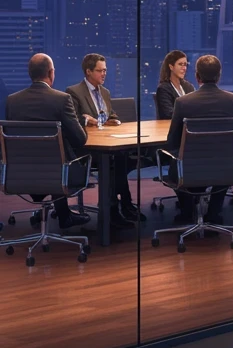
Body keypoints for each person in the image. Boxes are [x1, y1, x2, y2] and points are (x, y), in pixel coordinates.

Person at [4, 54, 90, 230]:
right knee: (62, 159)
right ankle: (64, 215)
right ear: (51, 73)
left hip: (20, 174)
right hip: (57, 175)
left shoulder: (12, 101)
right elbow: (80, 139)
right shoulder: (61, 99)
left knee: (53, 158)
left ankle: (63, 214)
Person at [164, 55, 233, 223]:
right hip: (225, 168)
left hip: (189, 169)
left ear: (197, 76)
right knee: (224, 161)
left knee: (176, 163)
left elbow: (172, 141)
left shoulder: (183, 102)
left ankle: (187, 213)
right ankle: (214, 213)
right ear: (219, 75)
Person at [65, 53, 137, 225]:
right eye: (100, 71)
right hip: (88, 148)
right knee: (117, 160)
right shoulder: (74, 92)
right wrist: (86, 119)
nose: (104, 74)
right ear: (88, 71)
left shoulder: (105, 92)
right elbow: (72, 120)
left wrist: (114, 119)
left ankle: (119, 205)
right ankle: (116, 208)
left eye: (105, 70)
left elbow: (110, 114)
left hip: (108, 142)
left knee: (124, 157)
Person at [155, 50, 194, 121]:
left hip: (188, 127)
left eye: (185, 64)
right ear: (171, 67)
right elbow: (168, 114)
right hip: (171, 128)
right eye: (180, 64)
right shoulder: (163, 89)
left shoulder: (188, 87)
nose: (184, 68)